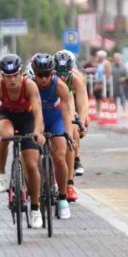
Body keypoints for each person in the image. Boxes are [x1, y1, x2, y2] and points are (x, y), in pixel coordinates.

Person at [0, 53, 45, 228]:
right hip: (8, 117)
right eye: (8, 76)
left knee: (31, 165)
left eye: (15, 75)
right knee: (4, 134)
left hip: (27, 119)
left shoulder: (30, 86)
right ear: (2, 75)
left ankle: (35, 208)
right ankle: (1, 173)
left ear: (21, 74)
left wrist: (37, 132)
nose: (12, 80)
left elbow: (37, 112)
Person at [31, 54, 73, 219]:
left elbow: (67, 111)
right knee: (30, 157)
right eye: (39, 75)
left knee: (60, 157)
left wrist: (68, 132)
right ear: (34, 73)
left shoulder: (59, 86)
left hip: (55, 119)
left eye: (47, 75)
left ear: (52, 73)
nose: (43, 79)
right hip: (36, 119)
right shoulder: (29, 84)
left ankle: (62, 198)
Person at [55, 50, 89, 195]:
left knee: (74, 128)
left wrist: (81, 121)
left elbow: (83, 103)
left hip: (70, 104)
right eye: (59, 73)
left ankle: (75, 160)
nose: (62, 77)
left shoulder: (76, 79)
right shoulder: (49, 79)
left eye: (65, 73)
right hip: (54, 105)